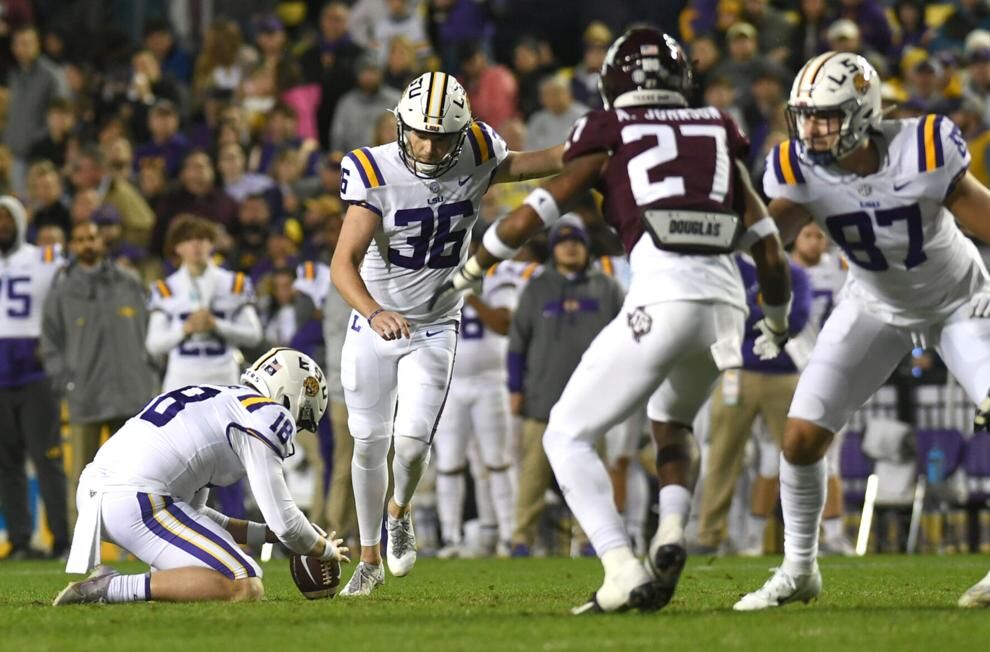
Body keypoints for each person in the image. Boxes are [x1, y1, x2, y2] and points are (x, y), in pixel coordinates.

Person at [432, 28, 793, 613]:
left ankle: (620, 566)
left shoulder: (610, 131)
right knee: (671, 419)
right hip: (727, 307)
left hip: (662, 299)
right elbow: (770, 250)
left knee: (565, 435)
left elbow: (545, 206)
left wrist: (475, 265)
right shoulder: (716, 130)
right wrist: (774, 323)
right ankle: (672, 529)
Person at [733, 52, 990, 611]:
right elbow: (765, 241)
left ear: (862, 111)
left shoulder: (922, 148)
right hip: (874, 303)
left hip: (959, 304)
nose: (811, 129)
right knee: (800, 439)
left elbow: (983, 214)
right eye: (804, 116)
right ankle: (800, 569)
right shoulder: (797, 169)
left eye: (825, 116)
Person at [330, 70, 564, 596]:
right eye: (418, 132)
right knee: (368, 441)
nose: (428, 145)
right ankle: (367, 560)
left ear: (462, 133)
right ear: (401, 124)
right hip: (375, 323)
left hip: (436, 322)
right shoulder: (372, 168)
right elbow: (342, 263)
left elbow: (525, 166)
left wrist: (586, 149)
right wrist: (372, 312)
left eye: (440, 136)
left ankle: (399, 510)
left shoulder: (478, 148)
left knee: (411, 445)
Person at [52, 348, 349, 605]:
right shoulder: (267, 414)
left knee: (201, 575)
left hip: (101, 493)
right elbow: (286, 524)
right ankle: (110, 587)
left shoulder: (218, 401)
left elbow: (193, 514)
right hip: (136, 498)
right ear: (290, 398)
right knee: (244, 582)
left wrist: (266, 534)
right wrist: (324, 549)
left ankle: (120, 584)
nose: (292, 429)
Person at [506, 216, 624, 556]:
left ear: (587, 246)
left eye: (576, 240)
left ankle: (592, 539)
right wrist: (515, 389)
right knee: (533, 476)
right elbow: (517, 344)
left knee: (591, 475)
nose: (570, 246)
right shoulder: (538, 287)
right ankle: (521, 540)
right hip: (542, 399)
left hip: (592, 402)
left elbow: (624, 343)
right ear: (553, 247)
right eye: (563, 240)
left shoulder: (607, 287)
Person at [40, 221, 157, 529]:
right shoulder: (62, 291)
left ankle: (139, 542)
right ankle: (81, 546)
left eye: (91, 238)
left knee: (136, 476)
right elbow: (49, 342)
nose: (86, 244)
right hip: (85, 395)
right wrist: (64, 381)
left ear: (101, 241)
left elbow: (153, 329)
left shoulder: (129, 281)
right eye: (79, 240)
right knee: (83, 478)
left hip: (133, 395)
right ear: (72, 247)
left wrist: (150, 373)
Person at [0, 195, 69, 559]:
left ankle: (61, 539)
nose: (2, 225)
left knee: (48, 459)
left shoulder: (44, 258)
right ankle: (20, 540)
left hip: (35, 372)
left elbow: (70, 295)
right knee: (7, 464)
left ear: (19, 221)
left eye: (6, 218)